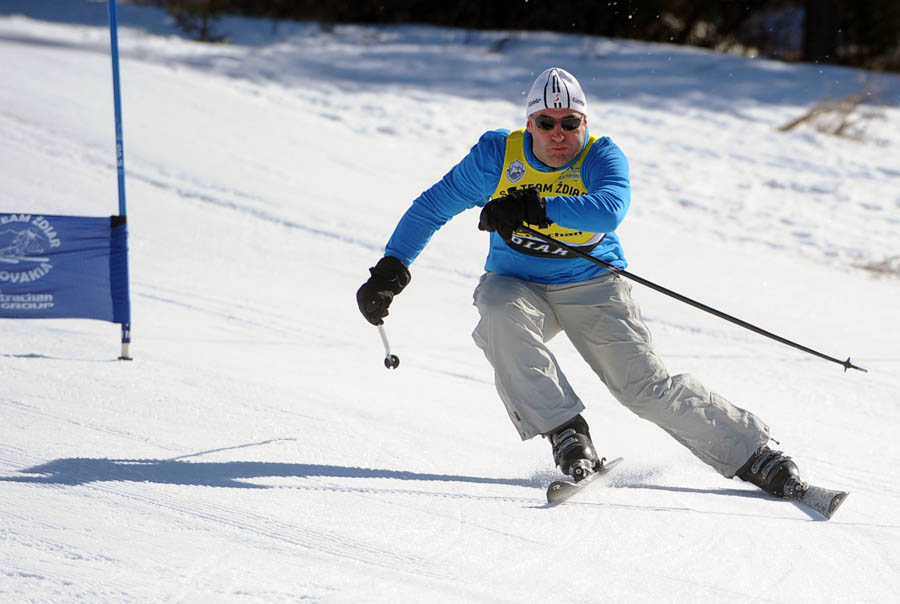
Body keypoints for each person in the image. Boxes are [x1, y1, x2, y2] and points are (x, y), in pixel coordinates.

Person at [356, 67, 805, 498]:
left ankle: (755, 454)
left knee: (642, 389)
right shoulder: (497, 156)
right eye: (545, 122)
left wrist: (535, 206)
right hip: (517, 282)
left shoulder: (602, 156)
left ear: (584, 122)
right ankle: (567, 432)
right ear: (528, 122)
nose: (558, 133)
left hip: (592, 284)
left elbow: (609, 209)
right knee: (495, 310)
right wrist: (390, 270)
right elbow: (432, 207)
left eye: (569, 122)